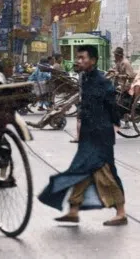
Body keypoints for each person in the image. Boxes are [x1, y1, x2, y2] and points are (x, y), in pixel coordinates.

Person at [39, 45, 127, 227]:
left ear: (92, 60)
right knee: (81, 170)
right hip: (88, 134)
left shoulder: (102, 81)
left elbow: (111, 105)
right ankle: (73, 210)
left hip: (100, 135)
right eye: (77, 58)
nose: (78, 61)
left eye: (82, 58)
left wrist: (115, 123)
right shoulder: (85, 78)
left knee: (106, 173)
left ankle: (121, 212)